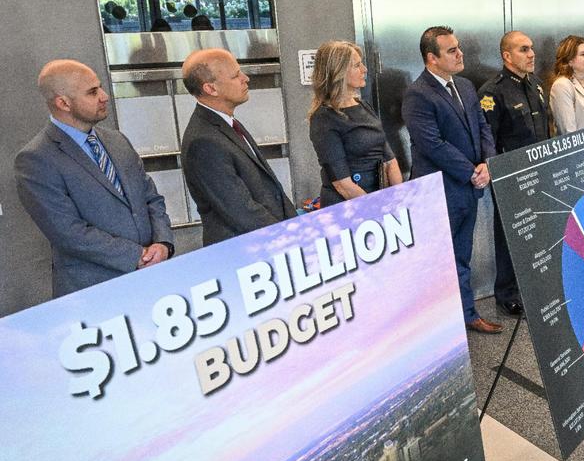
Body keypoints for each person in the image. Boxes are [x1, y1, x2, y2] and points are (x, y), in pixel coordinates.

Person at [15, 59, 174, 298]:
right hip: (95, 291)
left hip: (152, 279)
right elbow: (68, 233)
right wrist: (136, 256)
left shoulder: (117, 141)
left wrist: (163, 243)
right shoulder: (36, 159)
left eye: (100, 87)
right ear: (63, 103)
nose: (104, 96)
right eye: (93, 92)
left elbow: (151, 198)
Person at [402, 26, 502, 334]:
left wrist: (486, 162)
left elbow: (482, 126)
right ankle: (439, 325)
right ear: (431, 58)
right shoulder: (417, 95)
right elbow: (432, 144)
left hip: (467, 188)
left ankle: (467, 315)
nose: (460, 55)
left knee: (462, 255)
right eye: (451, 51)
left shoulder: (465, 86)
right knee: (438, 260)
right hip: (441, 189)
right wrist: (471, 171)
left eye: (458, 48)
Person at [181, 48, 296, 245]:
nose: (246, 78)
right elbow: (240, 210)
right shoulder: (203, 141)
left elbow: (269, 189)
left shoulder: (226, 123)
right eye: (236, 75)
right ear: (211, 89)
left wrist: (295, 226)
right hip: (246, 249)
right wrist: (289, 237)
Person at [478, 30, 551, 316]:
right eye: (524, 49)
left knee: (539, 231)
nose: (531, 54)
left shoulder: (535, 84)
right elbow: (489, 139)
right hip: (512, 174)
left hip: (540, 169)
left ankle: (534, 285)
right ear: (507, 56)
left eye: (532, 48)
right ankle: (506, 291)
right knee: (509, 234)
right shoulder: (492, 92)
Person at [307, 40, 401, 209]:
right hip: (349, 207)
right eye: (357, 65)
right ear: (339, 72)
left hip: (377, 197)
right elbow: (343, 185)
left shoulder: (363, 105)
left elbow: (389, 158)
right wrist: (375, 209)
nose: (364, 69)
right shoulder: (324, 118)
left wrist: (398, 198)